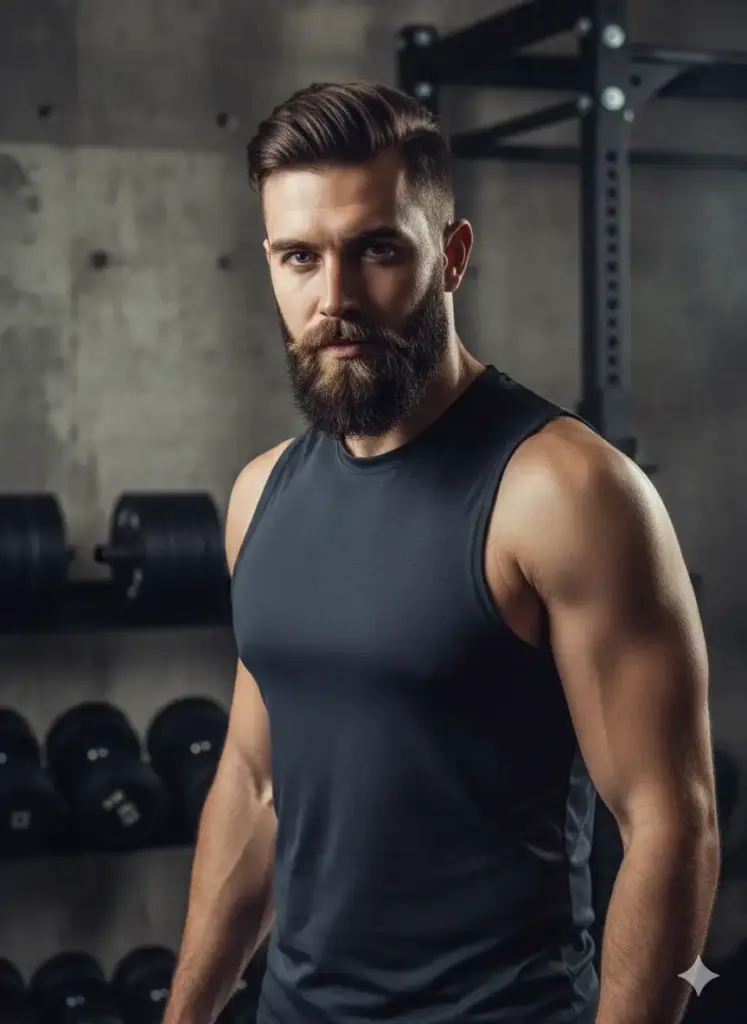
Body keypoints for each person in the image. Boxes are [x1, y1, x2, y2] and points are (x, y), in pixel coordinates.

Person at [163, 82, 720, 1024]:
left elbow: (670, 824)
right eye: (300, 257)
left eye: (375, 249)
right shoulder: (260, 495)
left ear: (451, 255)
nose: (333, 297)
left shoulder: (564, 492)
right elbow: (255, 786)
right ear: (269, 263)